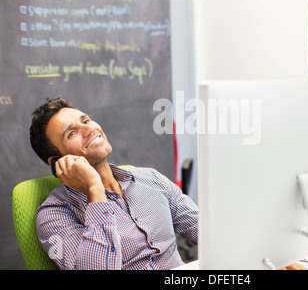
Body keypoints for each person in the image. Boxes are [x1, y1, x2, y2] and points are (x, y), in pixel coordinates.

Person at [30, 98, 198, 270]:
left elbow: (204, 230)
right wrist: (94, 189)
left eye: (86, 121)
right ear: (57, 162)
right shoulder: (54, 215)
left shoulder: (151, 178)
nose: (89, 129)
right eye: (71, 133)